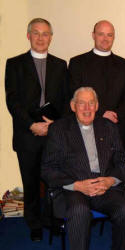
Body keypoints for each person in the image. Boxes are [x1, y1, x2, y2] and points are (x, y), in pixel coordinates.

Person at [41, 87, 125, 250]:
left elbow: (121, 161)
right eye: (81, 103)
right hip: (73, 189)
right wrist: (77, 185)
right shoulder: (58, 129)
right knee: (80, 211)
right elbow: (47, 168)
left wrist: (109, 181)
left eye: (91, 103)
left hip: (104, 187)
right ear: (73, 106)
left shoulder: (109, 127)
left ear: (97, 106)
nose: (87, 108)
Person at [5, 18, 68, 241]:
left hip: (53, 134)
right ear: (28, 35)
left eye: (45, 34)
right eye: (36, 33)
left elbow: (64, 99)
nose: (41, 38)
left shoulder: (61, 65)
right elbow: (13, 102)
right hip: (27, 134)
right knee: (31, 181)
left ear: (51, 37)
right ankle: (34, 223)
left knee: (52, 180)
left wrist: (53, 125)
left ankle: (52, 220)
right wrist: (32, 124)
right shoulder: (14, 64)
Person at [69, 20, 125, 151]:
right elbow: (74, 94)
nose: (105, 39)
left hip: (117, 127)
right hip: (87, 126)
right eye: (101, 34)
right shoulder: (77, 63)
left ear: (114, 37)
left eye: (109, 35)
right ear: (93, 35)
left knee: (117, 170)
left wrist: (115, 115)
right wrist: (102, 112)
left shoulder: (124, 65)